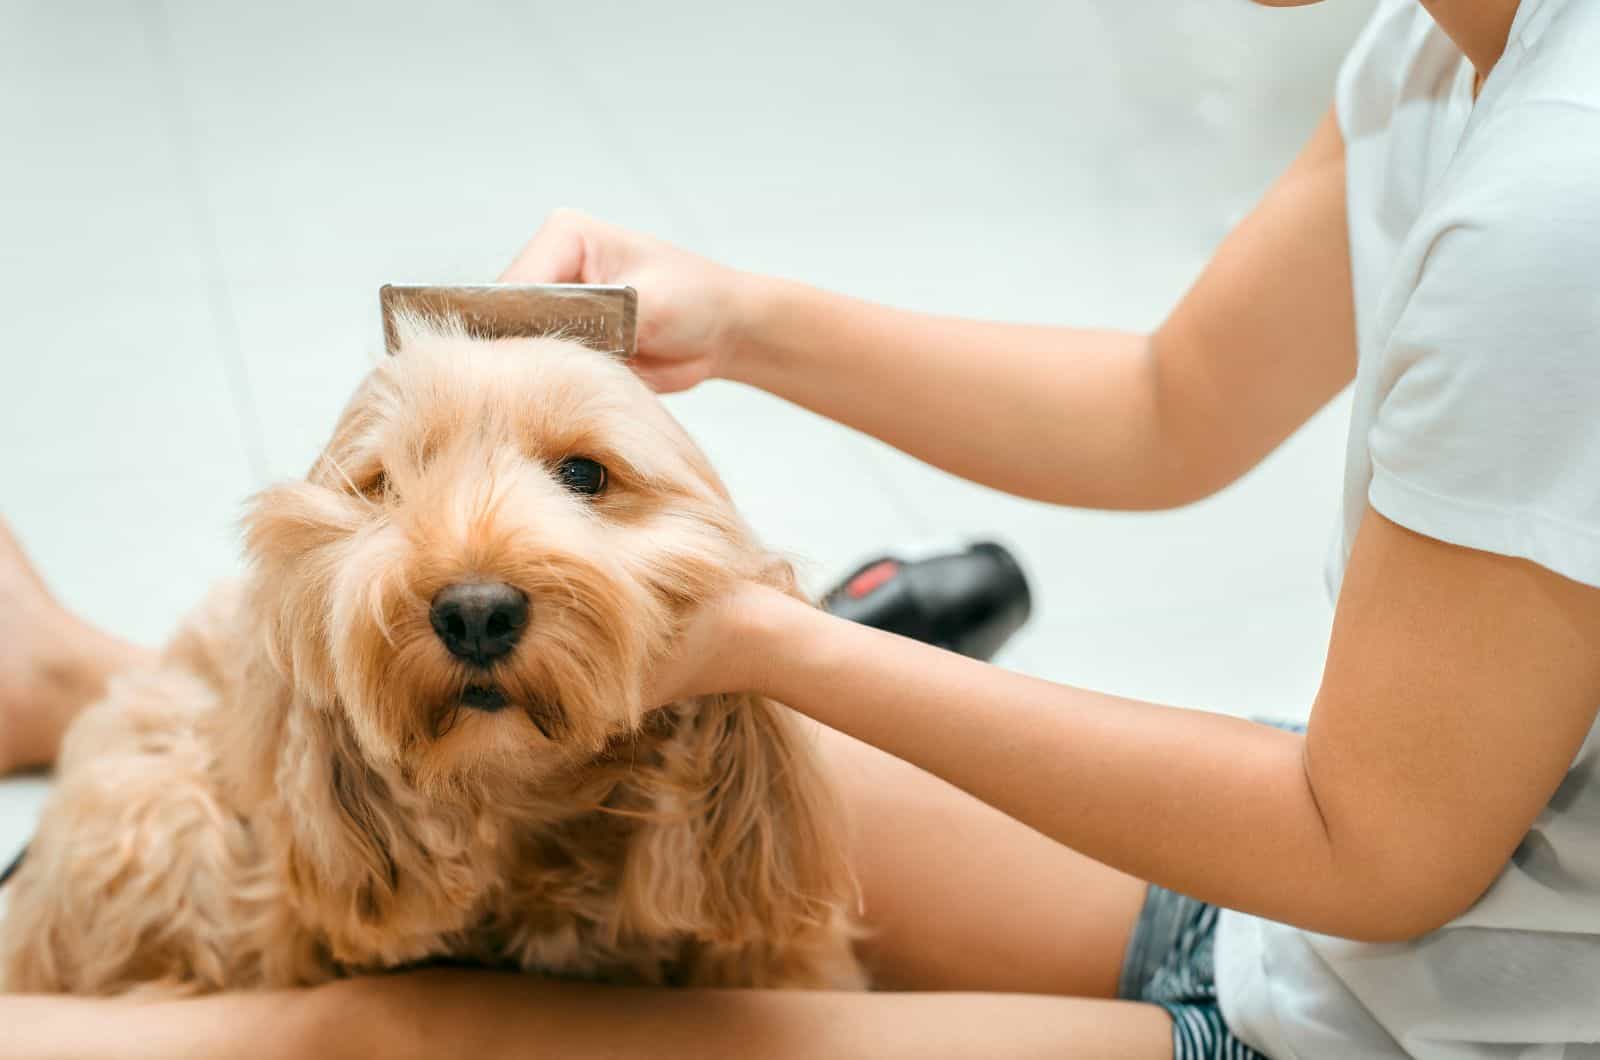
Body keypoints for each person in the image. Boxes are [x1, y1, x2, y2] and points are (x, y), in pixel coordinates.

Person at [4, 0, 1599, 1055]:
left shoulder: (1558, 207)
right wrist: (741, 317)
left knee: (371, 1032)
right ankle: (91, 679)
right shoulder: (1446, 43)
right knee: (568, 797)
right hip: (1320, 892)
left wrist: (776, 641)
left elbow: (1373, 857)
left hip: (1438, 1012)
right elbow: (1165, 406)